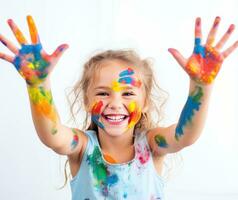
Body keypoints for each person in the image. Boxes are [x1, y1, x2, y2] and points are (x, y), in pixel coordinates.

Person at [0, 15, 237, 200]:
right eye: (103, 93)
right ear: (86, 100)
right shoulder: (83, 148)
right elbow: (52, 136)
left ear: (144, 103)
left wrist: (201, 86)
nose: (115, 103)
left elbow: (185, 135)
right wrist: (38, 85)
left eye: (128, 94)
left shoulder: (152, 145)